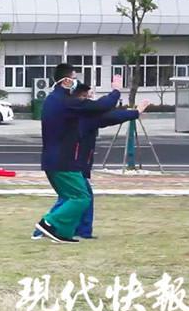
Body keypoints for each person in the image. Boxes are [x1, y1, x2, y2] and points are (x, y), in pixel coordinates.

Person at [32, 84, 150, 240]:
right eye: (86, 96)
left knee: (76, 197)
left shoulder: (77, 113)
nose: (89, 99)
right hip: (73, 164)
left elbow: (105, 113)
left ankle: (80, 230)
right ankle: (48, 227)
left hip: (74, 163)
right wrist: (134, 110)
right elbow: (109, 115)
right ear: (79, 98)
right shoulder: (81, 116)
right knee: (76, 197)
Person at [34, 63, 123, 244]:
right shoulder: (66, 102)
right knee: (81, 198)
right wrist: (116, 91)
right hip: (64, 161)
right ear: (66, 81)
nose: (76, 81)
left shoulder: (52, 100)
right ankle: (48, 223)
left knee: (71, 197)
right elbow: (102, 107)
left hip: (52, 160)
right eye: (74, 78)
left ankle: (63, 233)